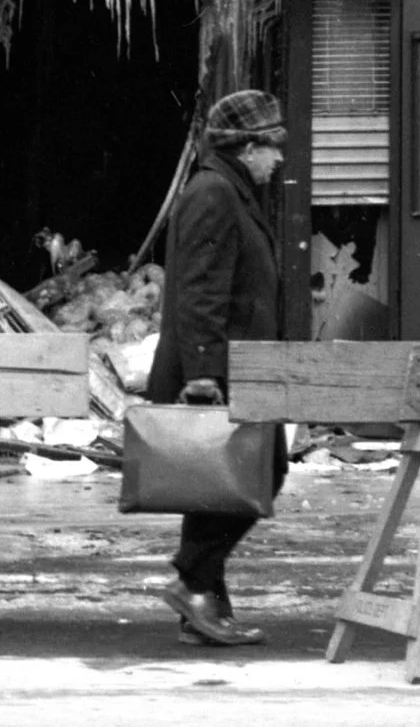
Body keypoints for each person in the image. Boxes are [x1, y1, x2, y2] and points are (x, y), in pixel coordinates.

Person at [146, 87, 290, 647]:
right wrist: (203, 374)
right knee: (259, 474)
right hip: (219, 369)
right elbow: (200, 290)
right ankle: (188, 578)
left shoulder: (227, 190)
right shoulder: (213, 192)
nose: (278, 159)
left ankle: (202, 611)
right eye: (272, 147)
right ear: (248, 146)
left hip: (234, 365)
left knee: (218, 486)